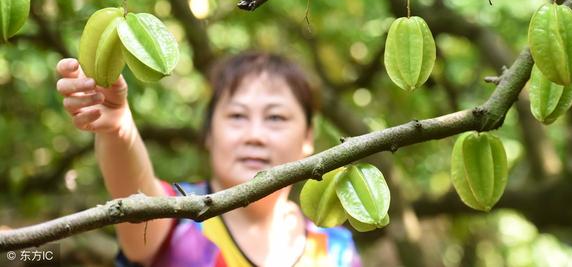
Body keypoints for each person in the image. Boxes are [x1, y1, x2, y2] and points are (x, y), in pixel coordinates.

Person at [56, 52, 361, 267]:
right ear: (209, 134)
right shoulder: (177, 214)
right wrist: (118, 128)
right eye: (237, 116)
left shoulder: (336, 252)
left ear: (308, 137)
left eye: (276, 117)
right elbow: (136, 199)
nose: (254, 135)